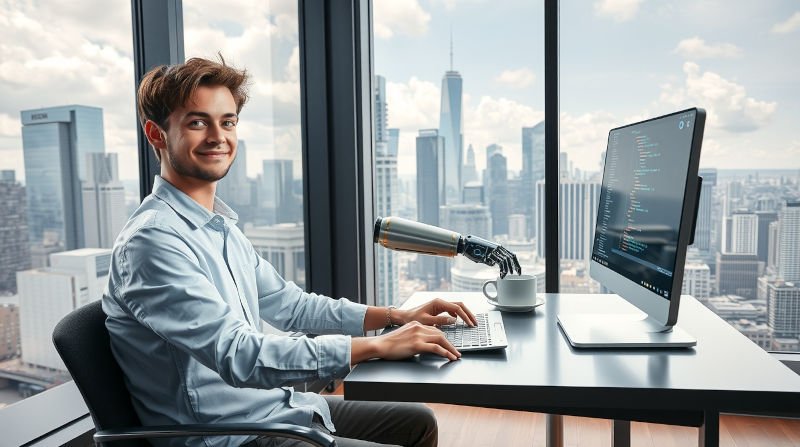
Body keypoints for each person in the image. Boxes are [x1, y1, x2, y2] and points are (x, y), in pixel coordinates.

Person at [102, 56, 478, 447]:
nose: (218, 136)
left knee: (417, 423)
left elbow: (292, 306)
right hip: (227, 437)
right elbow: (239, 355)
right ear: (157, 134)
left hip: (274, 409)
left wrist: (394, 316)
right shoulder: (152, 242)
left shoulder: (219, 228)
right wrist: (376, 345)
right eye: (198, 123)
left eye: (227, 122)